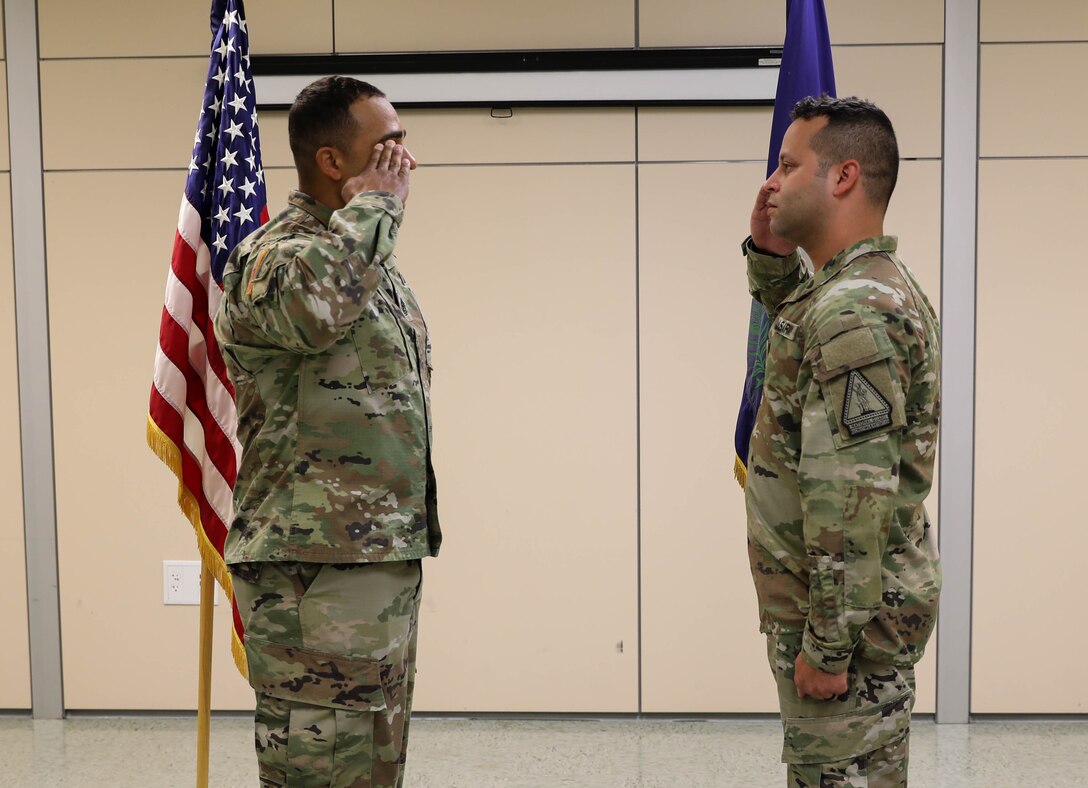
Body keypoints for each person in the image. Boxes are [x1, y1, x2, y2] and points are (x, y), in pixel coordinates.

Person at [214, 76, 441, 788]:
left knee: (369, 767)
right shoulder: (270, 259)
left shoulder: (369, 264)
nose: (404, 165)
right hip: (310, 573)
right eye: (388, 147)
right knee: (321, 767)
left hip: (372, 563)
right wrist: (378, 208)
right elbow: (313, 311)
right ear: (332, 162)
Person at [741, 95, 941, 787]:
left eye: (789, 164)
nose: (771, 181)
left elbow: (851, 496)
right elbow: (801, 347)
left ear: (844, 176)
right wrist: (771, 260)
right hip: (852, 621)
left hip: (849, 638)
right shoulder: (847, 291)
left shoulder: (856, 305)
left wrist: (827, 647)